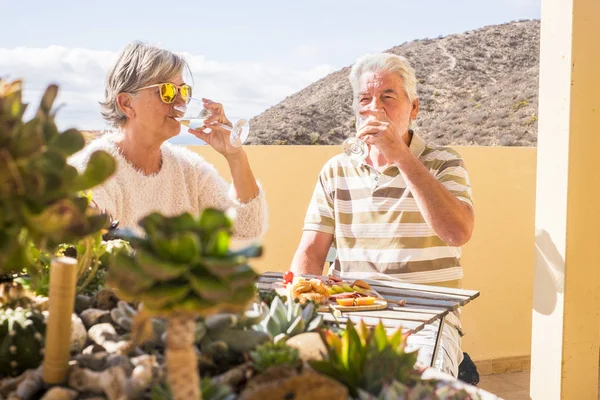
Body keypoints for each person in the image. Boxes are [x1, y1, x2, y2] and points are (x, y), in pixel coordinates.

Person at [290, 52, 474, 377]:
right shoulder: (336, 170)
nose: (374, 108)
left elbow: (458, 232)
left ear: (413, 107)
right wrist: (301, 308)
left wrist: (400, 155)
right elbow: (311, 251)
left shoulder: (444, 162)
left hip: (427, 317)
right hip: (351, 312)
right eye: (365, 99)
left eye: (387, 97)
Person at [70, 41, 267, 239]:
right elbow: (90, 249)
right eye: (167, 91)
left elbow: (247, 227)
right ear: (127, 103)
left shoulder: (189, 169)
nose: (180, 101)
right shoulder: (94, 170)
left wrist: (235, 156)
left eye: (183, 91)